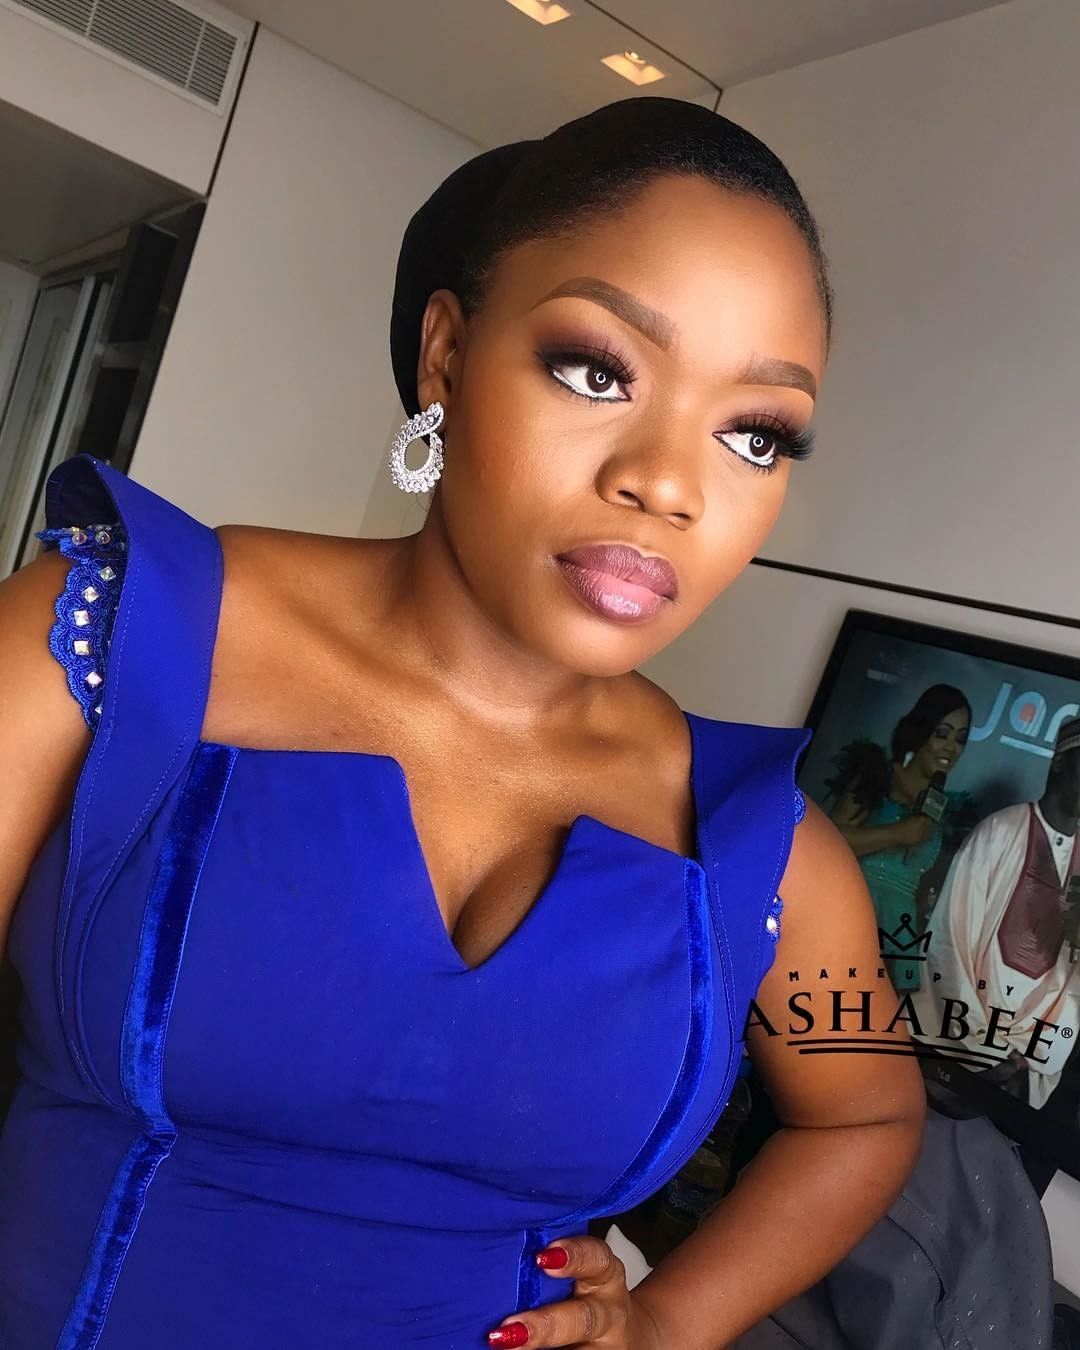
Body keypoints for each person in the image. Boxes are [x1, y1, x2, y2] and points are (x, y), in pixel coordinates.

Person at [0, 98, 925, 1349]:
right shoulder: (106, 638)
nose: (667, 482)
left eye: (754, 433)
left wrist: (671, 1321)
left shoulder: (769, 853)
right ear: (445, 354)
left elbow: (867, 1115)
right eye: (597, 371)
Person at [912, 717, 1080, 1108]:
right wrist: (985, 1050)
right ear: (1060, 762)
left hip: (1026, 1070)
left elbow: (1072, 988)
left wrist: (1029, 1059)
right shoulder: (999, 831)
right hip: (959, 1045)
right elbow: (948, 941)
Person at [825, 685, 971, 990]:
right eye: (942, 734)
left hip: (899, 936)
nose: (951, 748)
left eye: (960, 739)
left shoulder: (945, 810)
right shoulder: (877, 775)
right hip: (849, 914)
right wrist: (897, 833)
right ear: (920, 731)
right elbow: (830, 843)